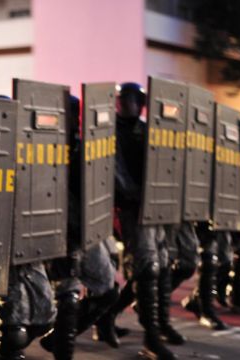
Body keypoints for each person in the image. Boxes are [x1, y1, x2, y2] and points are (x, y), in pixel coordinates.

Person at [98, 82, 181, 359]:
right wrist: (134, 195)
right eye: (127, 99)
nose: (131, 104)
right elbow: (116, 171)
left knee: (158, 268)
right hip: (132, 210)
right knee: (147, 270)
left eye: (135, 100)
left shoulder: (147, 129)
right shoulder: (110, 131)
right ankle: (151, 338)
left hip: (155, 208)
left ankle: (109, 316)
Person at [39, 96, 120, 360]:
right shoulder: (40, 149)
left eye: (72, 113)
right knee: (68, 297)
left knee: (107, 288)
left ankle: (57, 339)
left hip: (84, 231)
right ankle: (62, 349)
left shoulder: (84, 149)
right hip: (55, 232)